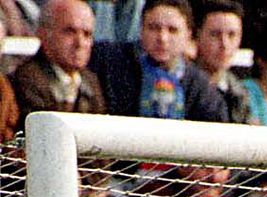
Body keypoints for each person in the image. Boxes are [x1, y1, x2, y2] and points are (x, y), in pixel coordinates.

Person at [90, 0, 228, 121]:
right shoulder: (107, 62)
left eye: (172, 30)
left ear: (188, 34)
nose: (162, 38)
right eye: (154, 28)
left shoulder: (200, 87)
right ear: (141, 29)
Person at [13, 0, 105, 121]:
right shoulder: (26, 80)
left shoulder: (90, 81)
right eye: (70, 32)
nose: (80, 43)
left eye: (87, 34)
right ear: (43, 33)